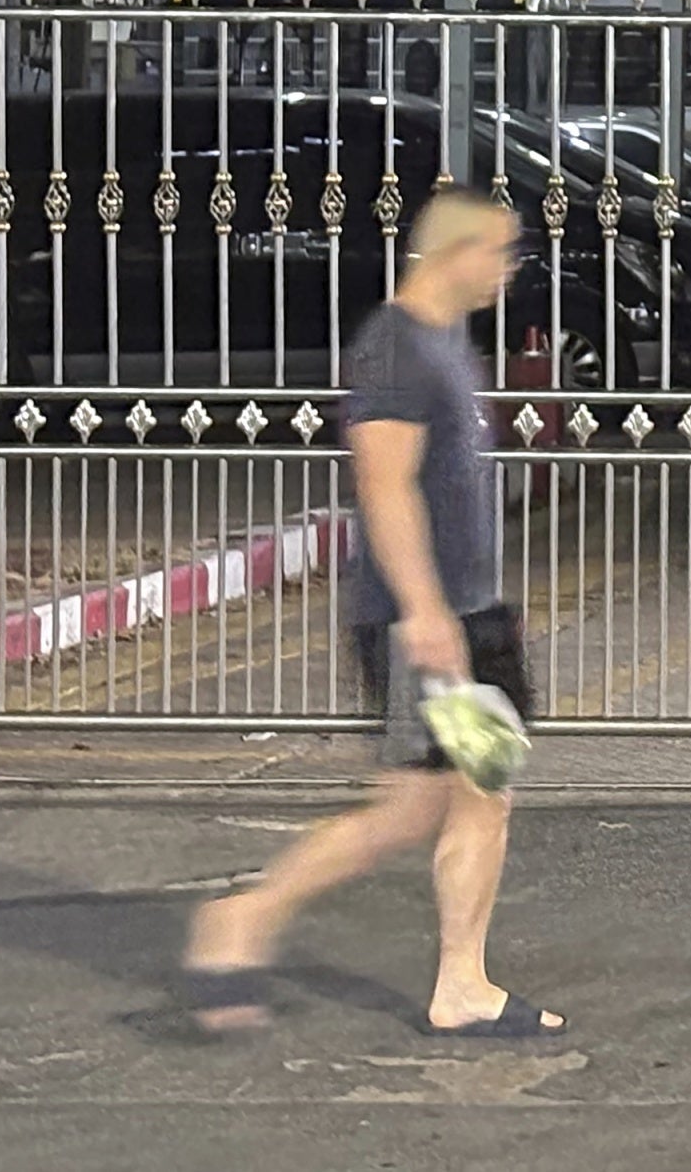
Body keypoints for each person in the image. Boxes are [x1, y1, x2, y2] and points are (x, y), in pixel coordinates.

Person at [182, 189, 563, 1039]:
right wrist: (428, 616)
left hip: (469, 613)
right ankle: (242, 919)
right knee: (412, 808)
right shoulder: (395, 346)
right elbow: (384, 487)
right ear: (453, 251)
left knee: (481, 793)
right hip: (425, 621)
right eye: (497, 253)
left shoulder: (441, 340)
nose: (507, 271)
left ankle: (462, 980)